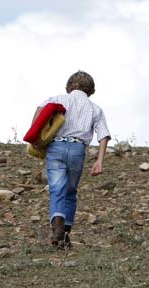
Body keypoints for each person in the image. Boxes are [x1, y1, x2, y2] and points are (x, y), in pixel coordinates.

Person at [32, 71, 111, 248]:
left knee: (57, 189)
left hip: (56, 147)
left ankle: (57, 228)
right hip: (77, 150)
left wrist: (35, 136)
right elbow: (103, 135)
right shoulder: (95, 109)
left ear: (69, 86)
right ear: (91, 90)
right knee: (70, 191)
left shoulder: (58, 99)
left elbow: (39, 110)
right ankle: (65, 232)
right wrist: (99, 161)